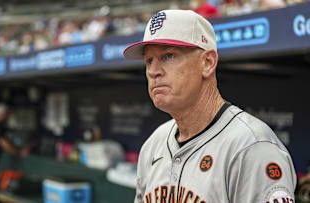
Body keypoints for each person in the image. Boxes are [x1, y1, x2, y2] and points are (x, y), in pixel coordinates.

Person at [123, 10, 297, 203]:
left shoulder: (252, 147)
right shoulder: (153, 144)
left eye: (169, 56)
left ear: (207, 63)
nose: (154, 71)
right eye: (149, 61)